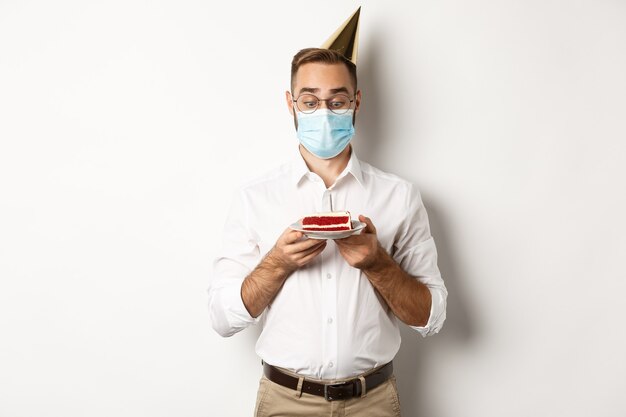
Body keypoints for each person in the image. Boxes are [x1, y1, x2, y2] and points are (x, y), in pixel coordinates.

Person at [208, 8, 447, 417]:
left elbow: (432, 316)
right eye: (310, 101)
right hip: (285, 401)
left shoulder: (400, 197)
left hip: (373, 401)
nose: (324, 112)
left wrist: (378, 264)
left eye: (337, 100)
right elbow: (222, 317)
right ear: (291, 104)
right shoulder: (255, 197)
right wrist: (276, 264)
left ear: (356, 102)